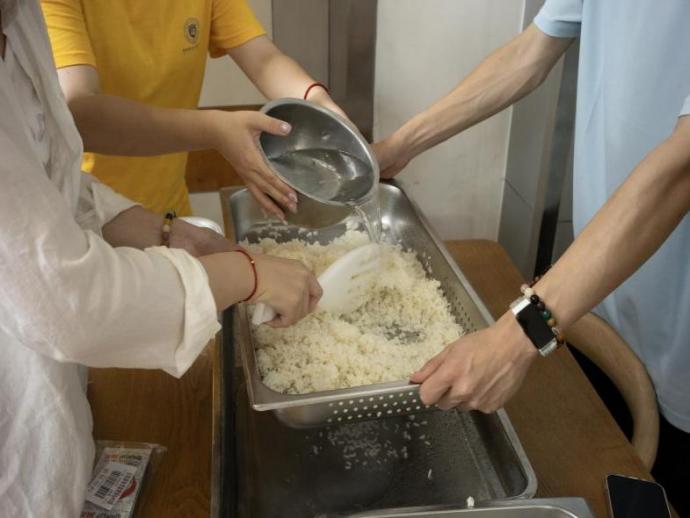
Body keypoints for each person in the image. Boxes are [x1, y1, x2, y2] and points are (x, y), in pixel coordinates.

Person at [0, 1, 321, 515]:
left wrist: (163, 231)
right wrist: (247, 273)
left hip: (78, 351)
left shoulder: (20, 16)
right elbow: (71, 305)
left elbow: (51, 177)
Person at [374, 1, 689, 513]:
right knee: (602, 460)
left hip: (681, 341)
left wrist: (516, 337)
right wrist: (397, 147)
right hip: (594, 291)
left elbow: (682, 168)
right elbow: (531, 52)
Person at [41, 0, 346, 220]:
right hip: (87, 215)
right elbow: (81, 112)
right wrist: (214, 129)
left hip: (169, 210)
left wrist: (321, 105)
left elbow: (264, 60)